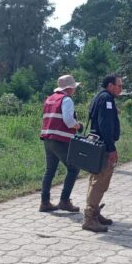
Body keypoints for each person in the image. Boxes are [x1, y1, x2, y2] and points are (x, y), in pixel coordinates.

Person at [83, 74, 123, 232]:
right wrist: (111, 148)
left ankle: (94, 213)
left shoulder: (99, 96)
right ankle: (90, 218)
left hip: (97, 143)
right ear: (110, 85)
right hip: (104, 146)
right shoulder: (106, 99)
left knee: (95, 180)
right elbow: (104, 124)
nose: (121, 89)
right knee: (100, 182)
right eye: (119, 86)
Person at [38, 75, 84, 213]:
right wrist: (78, 126)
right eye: (74, 87)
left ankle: (44, 202)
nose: (75, 90)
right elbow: (68, 120)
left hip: (47, 138)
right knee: (74, 169)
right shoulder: (66, 99)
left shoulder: (49, 99)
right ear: (69, 88)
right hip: (61, 139)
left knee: (49, 171)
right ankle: (64, 201)